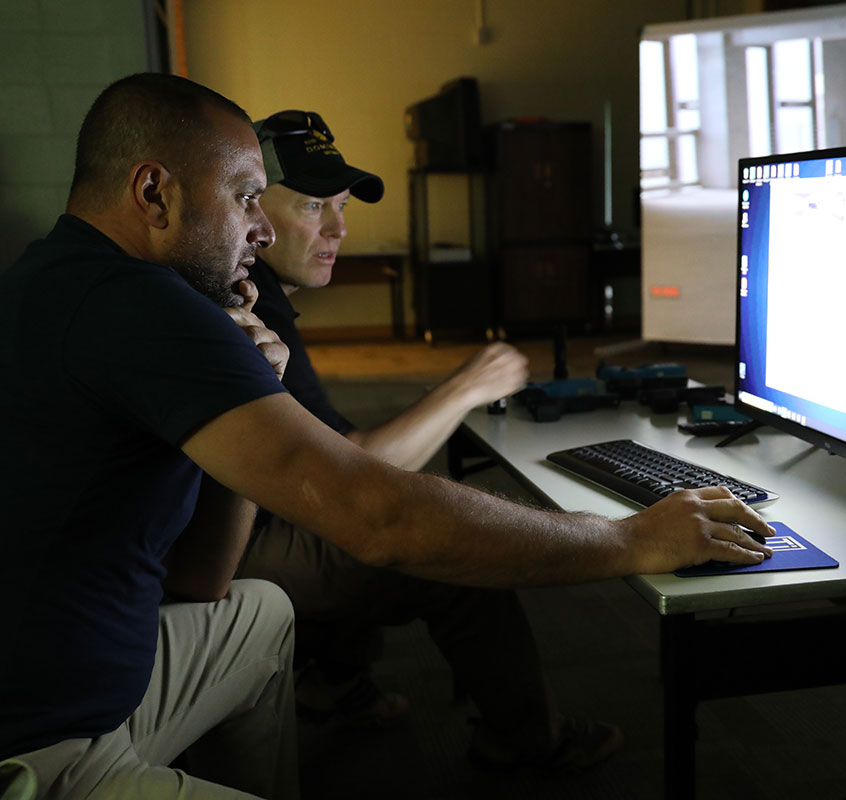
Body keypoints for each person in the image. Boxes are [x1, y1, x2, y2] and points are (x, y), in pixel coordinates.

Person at [0, 73, 774, 800]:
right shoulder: (136, 305)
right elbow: (375, 516)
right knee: (426, 540)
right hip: (16, 751)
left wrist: (251, 377)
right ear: (154, 193)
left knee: (257, 615)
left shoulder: (66, 278)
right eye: (246, 198)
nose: (259, 230)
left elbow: (202, 579)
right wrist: (629, 537)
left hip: (69, 679)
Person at [237, 109, 619, 770]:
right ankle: (527, 744)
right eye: (312, 206)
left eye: (343, 205)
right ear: (250, 211)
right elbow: (350, 474)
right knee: (451, 538)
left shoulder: (252, 292)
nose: (339, 228)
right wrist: (466, 386)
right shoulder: (246, 304)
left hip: (224, 528)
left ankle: (331, 682)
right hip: (215, 558)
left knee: (398, 501)